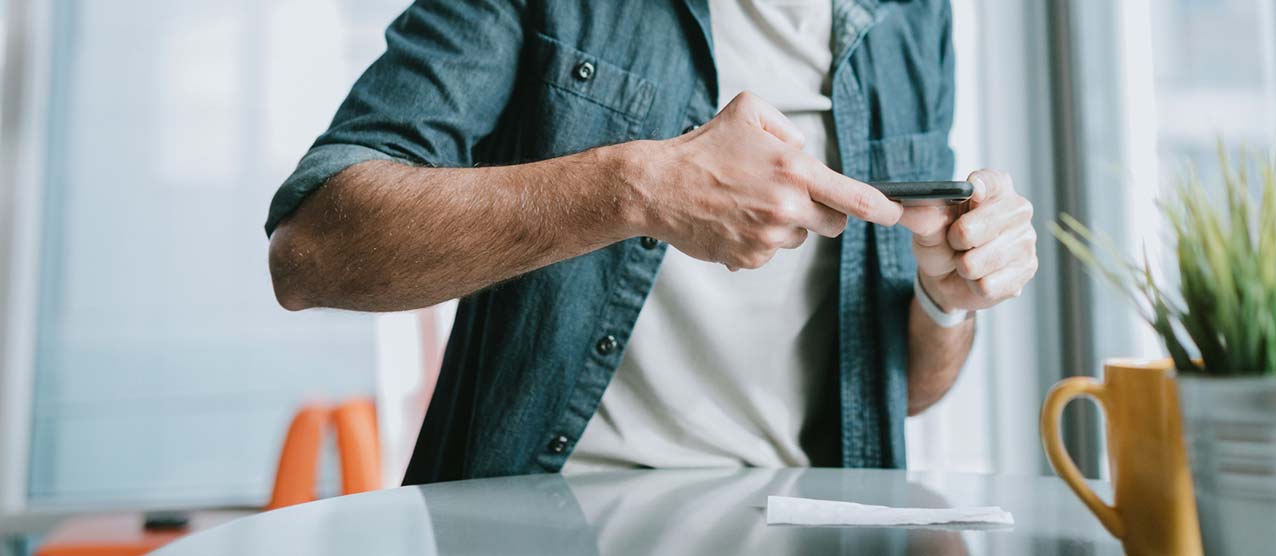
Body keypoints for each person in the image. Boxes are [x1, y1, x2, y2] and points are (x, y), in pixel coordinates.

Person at [265, 0, 1038, 484]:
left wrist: (945, 299)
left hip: (814, 529)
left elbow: (898, 394)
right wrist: (637, 188)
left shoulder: (915, 15)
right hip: (547, 524)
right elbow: (313, 252)